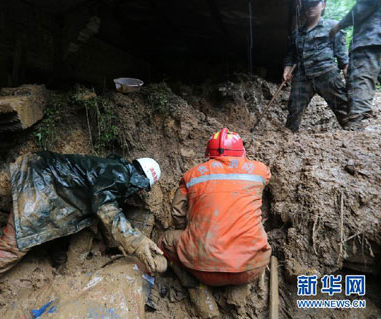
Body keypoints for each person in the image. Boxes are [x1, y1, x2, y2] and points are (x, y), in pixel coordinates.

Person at [0, 151, 165, 319]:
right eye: (141, 187)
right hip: (39, 180)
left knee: (82, 225)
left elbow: (97, 210)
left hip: (44, 175)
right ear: (139, 180)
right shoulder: (118, 174)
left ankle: (64, 268)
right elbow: (105, 208)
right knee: (11, 249)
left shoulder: (112, 169)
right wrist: (137, 241)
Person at [158, 129, 271, 319]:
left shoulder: (192, 175)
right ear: (242, 152)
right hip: (252, 267)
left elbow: (177, 213)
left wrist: (189, 230)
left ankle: (195, 286)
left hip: (203, 269)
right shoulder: (260, 170)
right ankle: (238, 289)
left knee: (164, 240)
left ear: (208, 154)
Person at [283, 0, 349, 132]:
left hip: (327, 75)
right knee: (294, 112)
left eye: (314, 4)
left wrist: (347, 70)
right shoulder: (297, 33)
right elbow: (291, 55)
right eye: (307, 5)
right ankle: (288, 139)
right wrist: (287, 69)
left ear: (323, 5)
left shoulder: (332, 26)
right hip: (302, 78)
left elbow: (342, 54)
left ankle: (356, 135)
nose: (310, 8)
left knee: (344, 109)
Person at [330, 0, 381, 130]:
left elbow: (363, 7)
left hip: (370, 40)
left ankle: (355, 130)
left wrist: (339, 25)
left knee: (360, 81)